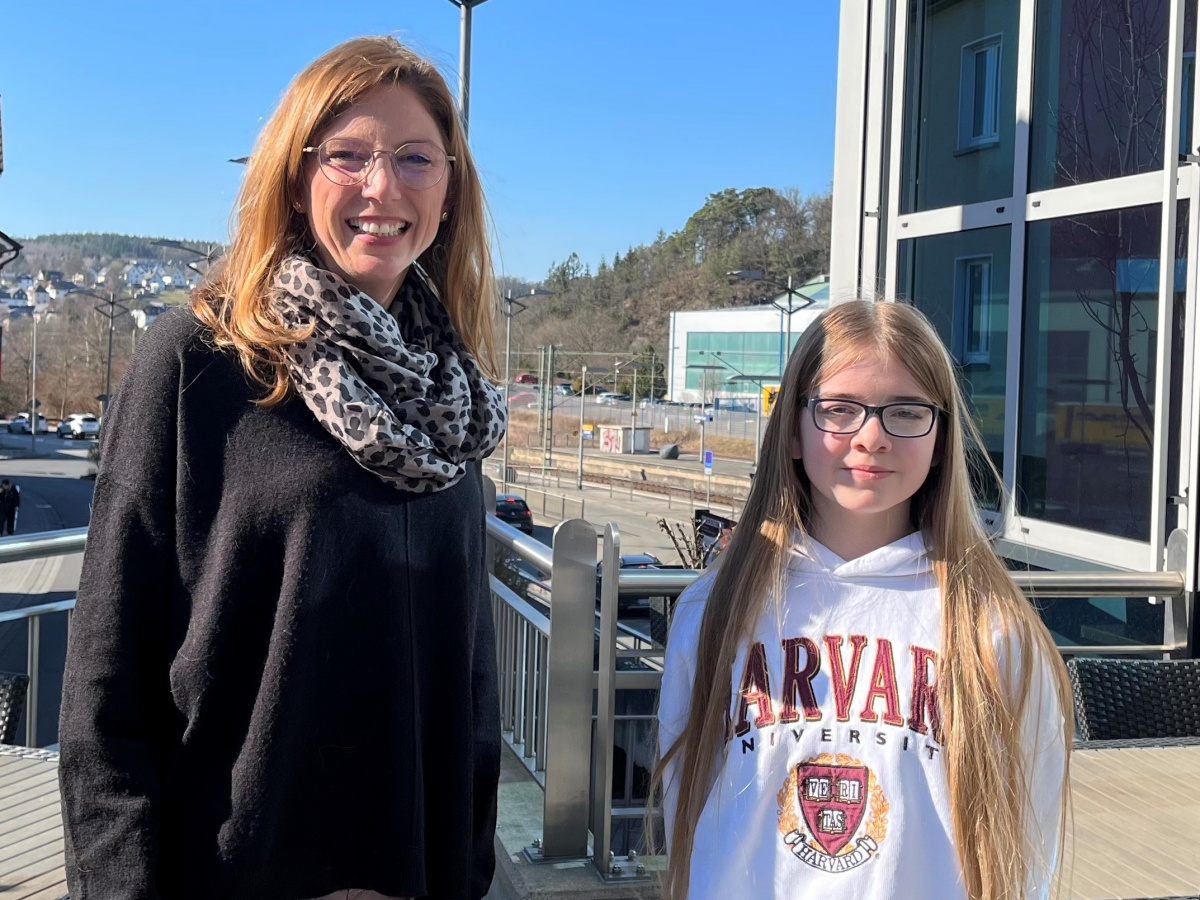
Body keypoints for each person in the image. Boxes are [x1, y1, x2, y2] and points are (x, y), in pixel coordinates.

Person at [59, 36, 506, 900]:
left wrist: (469, 866)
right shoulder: (200, 360)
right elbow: (105, 686)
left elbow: (469, 671)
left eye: (416, 157)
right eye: (347, 155)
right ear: (296, 179)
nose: (383, 186)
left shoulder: (453, 398)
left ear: (449, 191)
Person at [655, 300, 1072, 900]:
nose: (871, 437)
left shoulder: (992, 628)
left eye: (906, 412)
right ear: (793, 432)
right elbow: (687, 815)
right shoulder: (714, 609)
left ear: (940, 439)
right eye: (839, 410)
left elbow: (1030, 841)